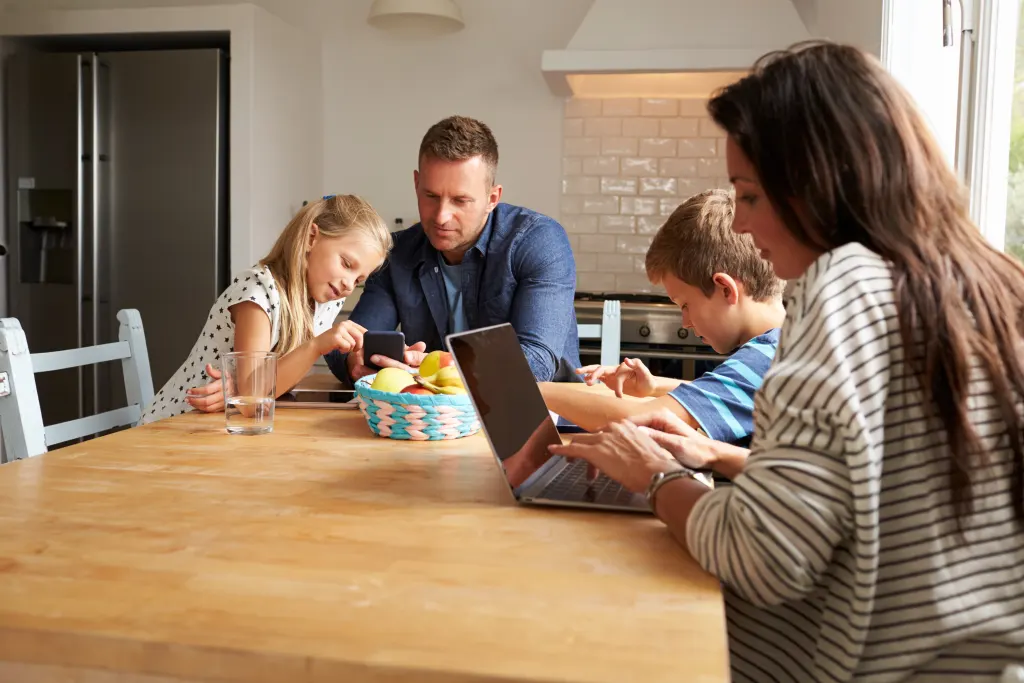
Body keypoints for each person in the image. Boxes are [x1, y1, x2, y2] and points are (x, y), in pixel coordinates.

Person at [551, 41, 1024, 682]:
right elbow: (879, 485)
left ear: (815, 185)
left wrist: (656, 477)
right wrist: (721, 457)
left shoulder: (846, 288)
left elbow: (760, 554)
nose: (741, 226)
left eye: (748, 195)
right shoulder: (987, 280)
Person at [325, 115, 581, 386]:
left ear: (492, 198)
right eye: (431, 196)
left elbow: (538, 362)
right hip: (432, 423)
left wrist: (438, 365)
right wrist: (355, 361)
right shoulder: (396, 253)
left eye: (461, 200)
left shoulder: (539, 240)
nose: (441, 216)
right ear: (416, 184)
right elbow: (351, 344)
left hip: (541, 418)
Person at [540, 189, 784, 457]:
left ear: (725, 289)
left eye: (685, 305)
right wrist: (655, 386)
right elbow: (729, 396)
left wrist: (537, 389)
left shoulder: (765, 362)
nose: (686, 322)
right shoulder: (779, 347)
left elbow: (641, 420)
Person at [145, 195, 390, 422]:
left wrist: (241, 389)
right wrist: (316, 346)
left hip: (222, 424)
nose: (349, 284)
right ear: (311, 238)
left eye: (359, 279)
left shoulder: (325, 300)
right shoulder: (258, 293)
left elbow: (266, 387)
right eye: (347, 264)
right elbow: (253, 402)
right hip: (176, 422)